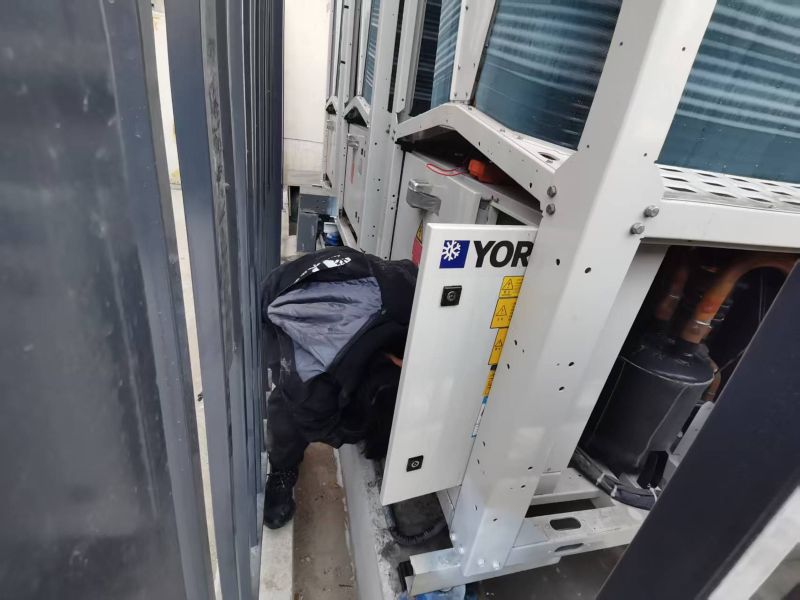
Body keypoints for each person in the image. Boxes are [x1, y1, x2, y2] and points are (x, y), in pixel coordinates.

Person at [260, 247, 417, 529]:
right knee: (287, 404)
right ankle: (282, 469)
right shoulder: (312, 385)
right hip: (280, 300)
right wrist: (359, 429)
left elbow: (407, 272)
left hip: (343, 281)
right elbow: (321, 426)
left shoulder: (408, 295)